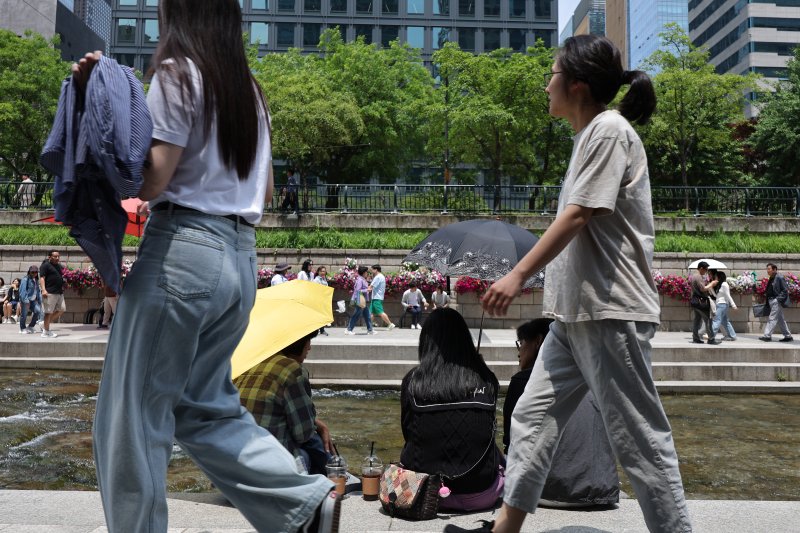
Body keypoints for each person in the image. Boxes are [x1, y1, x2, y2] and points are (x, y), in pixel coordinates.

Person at [79, 2, 339, 532]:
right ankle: (303, 503)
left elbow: (150, 181)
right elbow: (262, 190)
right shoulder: (250, 92)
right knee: (205, 406)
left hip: (182, 252)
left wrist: (100, 99)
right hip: (240, 261)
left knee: (131, 417)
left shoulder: (177, 73)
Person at [447, 35, 693, 533]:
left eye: (553, 74)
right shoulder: (590, 136)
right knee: (531, 421)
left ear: (577, 84)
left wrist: (517, 275)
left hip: (609, 312)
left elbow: (580, 215)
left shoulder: (609, 131)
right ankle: (505, 530)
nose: (546, 84)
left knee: (640, 442)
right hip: (575, 316)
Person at [505, 319, 619, 508]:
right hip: (603, 489)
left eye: (521, 342)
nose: (519, 350)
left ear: (538, 342)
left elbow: (512, 443)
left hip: (550, 492)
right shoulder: (594, 378)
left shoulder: (522, 381)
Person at [401, 308, 504, 512]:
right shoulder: (486, 378)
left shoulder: (413, 381)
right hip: (482, 493)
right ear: (464, 339)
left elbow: (408, 433)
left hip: (422, 492)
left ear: (426, 342)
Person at [235, 330, 333, 475]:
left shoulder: (251, 364)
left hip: (230, 469)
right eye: (308, 341)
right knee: (309, 450)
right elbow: (303, 433)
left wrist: (319, 424)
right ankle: (332, 478)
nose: (309, 348)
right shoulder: (292, 370)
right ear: (299, 343)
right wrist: (318, 427)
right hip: (265, 473)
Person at [759, 263, 793, 342]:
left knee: (772, 318)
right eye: (767, 269)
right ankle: (788, 336)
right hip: (771, 300)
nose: (767, 271)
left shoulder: (779, 277)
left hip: (776, 301)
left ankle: (767, 336)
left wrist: (777, 299)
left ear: (774, 269)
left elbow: (785, 290)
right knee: (781, 319)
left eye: (769, 269)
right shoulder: (771, 277)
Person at [690, 262, 719, 345]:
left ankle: (695, 338)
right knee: (708, 320)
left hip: (696, 301)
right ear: (701, 268)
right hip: (701, 302)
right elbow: (703, 289)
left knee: (697, 320)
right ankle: (711, 339)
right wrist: (712, 284)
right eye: (706, 269)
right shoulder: (698, 276)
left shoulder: (694, 276)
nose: (706, 271)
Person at [39, 250, 66, 338]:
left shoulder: (58, 266)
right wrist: (43, 290)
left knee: (62, 309)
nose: (57, 258)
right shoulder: (45, 265)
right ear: (49, 257)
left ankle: (44, 324)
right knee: (48, 312)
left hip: (59, 292)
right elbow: (42, 278)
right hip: (49, 292)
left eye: (58, 256)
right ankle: (46, 332)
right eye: (55, 256)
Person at [346, 265, 374, 335]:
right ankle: (349, 329)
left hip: (362, 300)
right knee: (356, 315)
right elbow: (358, 290)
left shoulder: (362, 279)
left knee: (367, 315)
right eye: (366, 272)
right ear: (364, 273)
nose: (367, 273)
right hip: (359, 300)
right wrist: (367, 289)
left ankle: (370, 330)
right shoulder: (360, 280)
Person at [711, 271, 737, 341]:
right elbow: (716, 296)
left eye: (716, 276)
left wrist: (733, 305)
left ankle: (711, 335)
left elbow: (728, 295)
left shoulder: (724, 284)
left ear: (719, 277)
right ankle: (732, 335)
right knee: (725, 321)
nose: (715, 278)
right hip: (720, 304)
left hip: (722, 304)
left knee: (717, 320)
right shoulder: (721, 285)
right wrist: (711, 288)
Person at [18, 266, 42, 335]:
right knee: (24, 315)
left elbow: (37, 291)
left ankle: (31, 326)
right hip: (26, 300)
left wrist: (40, 300)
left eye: (36, 272)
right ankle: (22, 328)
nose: (34, 273)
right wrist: (26, 301)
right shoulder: (25, 279)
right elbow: (22, 291)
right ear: (29, 272)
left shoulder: (36, 280)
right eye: (32, 272)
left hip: (33, 300)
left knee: (38, 311)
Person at [369, 264, 395, 329]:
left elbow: (370, 287)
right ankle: (369, 325)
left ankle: (390, 324)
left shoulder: (378, 277)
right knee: (371, 312)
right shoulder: (381, 276)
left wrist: (361, 290)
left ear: (376, 270)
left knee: (380, 312)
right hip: (377, 297)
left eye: (372, 269)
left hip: (376, 297)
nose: (371, 271)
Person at [313, 265, 331, 336]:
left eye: (324, 271)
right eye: (322, 271)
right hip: (318, 300)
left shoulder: (324, 279)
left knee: (322, 315)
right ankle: (319, 330)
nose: (323, 272)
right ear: (318, 272)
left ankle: (321, 330)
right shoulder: (316, 280)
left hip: (323, 300)